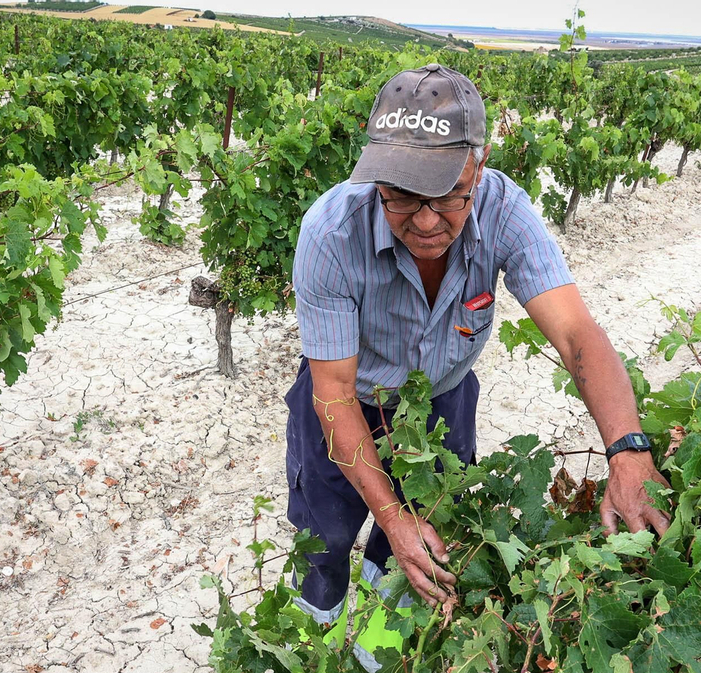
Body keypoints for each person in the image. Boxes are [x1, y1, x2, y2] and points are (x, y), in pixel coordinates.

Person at [285, 63, 670, 636]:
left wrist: (629, 449)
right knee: (328, 535)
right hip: (347, 403)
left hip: (443, 403)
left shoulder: (505, 211)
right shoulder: (330, 233)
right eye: (400, 198)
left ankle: (377, 659)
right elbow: (335, 394)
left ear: (479, 165)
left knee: (429, 537)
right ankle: (313, 644)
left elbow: (574, 333)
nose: (423, 221)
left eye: (446, 196)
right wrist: (391, 516)